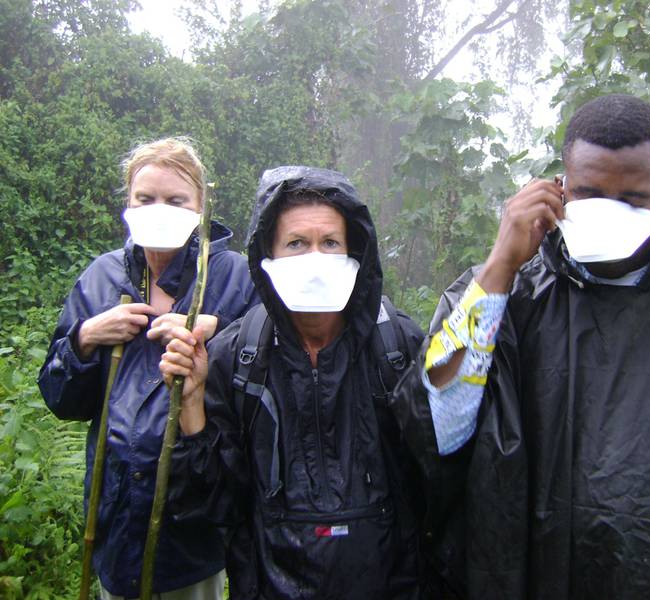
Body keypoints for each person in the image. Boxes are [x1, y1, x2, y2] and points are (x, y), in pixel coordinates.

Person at [391, 94, 650, 599]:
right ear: (559, 189)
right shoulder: (505, 294)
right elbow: (438, 431)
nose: (610, 212)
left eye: (631, 199)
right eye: (589, 194)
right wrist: (499, 265)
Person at [159, 166, 428, 599]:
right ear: (267, 256)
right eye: (297, 244)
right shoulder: (235, 357)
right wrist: (191, 405)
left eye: (331, 243)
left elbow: (434, 481)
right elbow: (211, 505)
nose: (315, 259)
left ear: (355, 254)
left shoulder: (395, 345)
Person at [38, 137, 258, 599]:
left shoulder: (235, 275)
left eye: (176, 200)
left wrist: (220, 329)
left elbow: (270, 369)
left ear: (200, 207)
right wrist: (83, 339)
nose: (159, 208)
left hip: (195, 511)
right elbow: (62, 400)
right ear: (128, 204)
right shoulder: (102, 277)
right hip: (115, 511)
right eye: (146, 198)